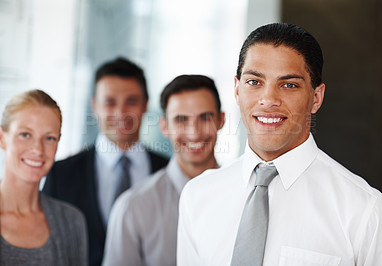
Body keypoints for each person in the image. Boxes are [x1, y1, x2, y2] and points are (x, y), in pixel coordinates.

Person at [177, 23, 382, 266]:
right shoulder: (197, 197)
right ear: (237, 89)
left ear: (316, 97)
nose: (268, 100)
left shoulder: (369, 214)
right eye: (254, 82)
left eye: (289, 85)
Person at [43, 57, 168, 266]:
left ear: (145, 104)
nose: (121, 112)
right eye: (110, 102)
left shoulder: (168, 171)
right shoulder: (60, 174)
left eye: (131, 101)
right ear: (94, 105)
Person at [102, 75, 225, 266]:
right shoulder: (132, 208)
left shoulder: (246, 195)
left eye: (205, 117)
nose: (194, 132)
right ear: (164, 127)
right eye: (181, 120)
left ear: (221, 120)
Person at [0, 89, 88, 265]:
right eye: (25, 135)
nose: (38, 150)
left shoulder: (72, 221)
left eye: (49, 138)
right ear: (2, 138)